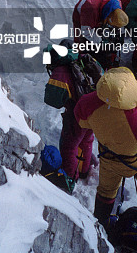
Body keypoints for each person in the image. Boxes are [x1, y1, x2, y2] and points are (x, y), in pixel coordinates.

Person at [75, 67, 137, 232]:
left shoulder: (89, 102)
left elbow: (82, 121)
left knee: (106, 193)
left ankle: (101, 227)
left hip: (108, 160)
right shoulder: (136, 115)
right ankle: (135, 227)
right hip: (136, 164)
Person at [43, 41, 102, 181]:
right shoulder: (82, 60)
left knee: (69, 146)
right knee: (86, 141)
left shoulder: (61, 71)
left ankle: (70, 178)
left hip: (76, 115)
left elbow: (52, 100)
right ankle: (83, 171)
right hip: (93, 111)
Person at [72, 0, 128, 69]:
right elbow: (86, 32)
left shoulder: (118, 7)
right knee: (83, 41)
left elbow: (118, 23)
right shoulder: (90, 8)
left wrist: (119, 36)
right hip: (84, 12)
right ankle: (84, 62)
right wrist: (102, 44)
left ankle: (109, 59)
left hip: (101, 11)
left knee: (108, 38)